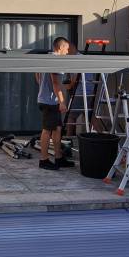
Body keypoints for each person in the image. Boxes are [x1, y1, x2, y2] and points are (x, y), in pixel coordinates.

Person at [35, 37, 75, 170]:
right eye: (67, 48)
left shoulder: (46, 58)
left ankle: (58, 158)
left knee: (57, 130)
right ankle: (44, 160)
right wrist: (62, 101)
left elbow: (36, 73)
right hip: (50, 102)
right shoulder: (56, 60)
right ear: (60, 48)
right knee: (47, 131)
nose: (68, 51)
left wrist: (42, 86)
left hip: (46, 99)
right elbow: (55, 83)